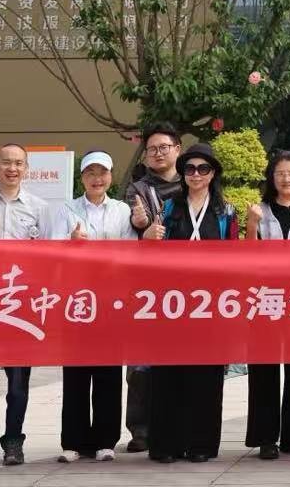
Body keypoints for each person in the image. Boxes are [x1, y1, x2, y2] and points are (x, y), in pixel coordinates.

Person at [0, 142, 64, 467]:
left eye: (19, 163)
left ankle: (14, 442)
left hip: (22, 308)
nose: (12, 168)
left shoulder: (40, 208)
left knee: (18, 384)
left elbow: (52, 257)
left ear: (26, 169)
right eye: (6, 162)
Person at [141, 143, 239, 463]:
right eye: (190, 169)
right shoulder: (169, 207)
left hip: (209, 306)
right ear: (182, 174)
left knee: (205, 375)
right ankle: (166, 445)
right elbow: (152, 254)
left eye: (203, 169)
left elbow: (235, 258)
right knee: (168, 374)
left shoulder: (226, 212)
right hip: (172, 305)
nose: (196, 174)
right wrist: (148, 237)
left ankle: (201, 444)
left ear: (213, 173)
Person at [244, 148, 290, 460]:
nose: (286, 179)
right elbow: (246, 256)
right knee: (264, 368)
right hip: (266, 298)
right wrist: (251, 225)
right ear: (271, 178)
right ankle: (265, 438)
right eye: (280, 173)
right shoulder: (259, 210)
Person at [60, 150, 133, 464]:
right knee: (75, 373)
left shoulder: (121, 210)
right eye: (90, 173)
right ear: (82, 178)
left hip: (110, 300)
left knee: (108, 372)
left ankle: (105, 440)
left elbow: (131, 251)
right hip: (76, 300)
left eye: (102, 173)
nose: (96, 179)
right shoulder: (66, 209)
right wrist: (71, 242)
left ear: (110, 177)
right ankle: (73, 441)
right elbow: (52, 249)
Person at [123, 122, 184, 453]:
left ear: (177, 149)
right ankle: (141, 429)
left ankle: (177, 424)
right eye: (152, 149)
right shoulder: (136, 190)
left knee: (181, 360)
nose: (158, 153)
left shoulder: (193, 183)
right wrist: (140, 230)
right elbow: (126, 232)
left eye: (164, 147)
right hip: (145, 289)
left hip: (186, 288)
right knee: (141, 365)